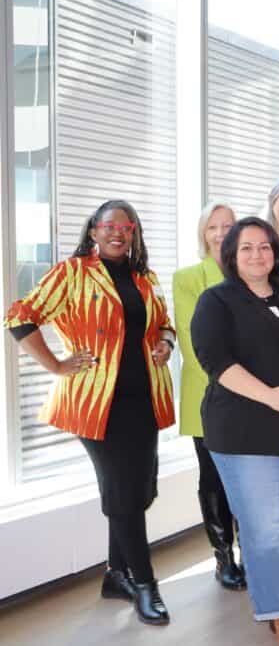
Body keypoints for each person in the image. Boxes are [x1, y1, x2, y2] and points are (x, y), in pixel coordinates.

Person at [5, 200, 176, 626]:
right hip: (97, 403)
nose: (118, 232)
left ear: (134, 232)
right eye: (109, 225)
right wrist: (56, 365)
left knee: (141, 492)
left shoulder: (145, 278)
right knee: (122, 492)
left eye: (126, 226)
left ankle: (116, 574)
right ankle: (144, 583)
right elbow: (20, 316)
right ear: (94, 231)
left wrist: (166, 344)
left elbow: (164, 324)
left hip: (144, 401)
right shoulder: (73, 273)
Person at [190, 216, 279, 643]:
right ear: (231, 254)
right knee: (265, 525)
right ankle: (277, 611)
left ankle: (273, 595)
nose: (257, 254)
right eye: (247, 247)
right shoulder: (217, 301)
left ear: (276, 252)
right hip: (243, 430)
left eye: (265, 246)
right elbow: (216, 361)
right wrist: (273, 397)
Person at [173, 202, 245, 592]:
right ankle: (224, 558)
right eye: (213, 227)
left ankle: (251, 549)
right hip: (209, 396)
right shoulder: (187, 278)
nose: (220, 233)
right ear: (203, 234)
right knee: (214, 478)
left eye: (228, 226)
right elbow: (192, 340)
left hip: (254, 398)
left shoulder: (251, 272)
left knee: (249, 479)